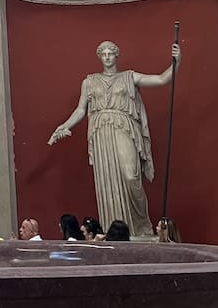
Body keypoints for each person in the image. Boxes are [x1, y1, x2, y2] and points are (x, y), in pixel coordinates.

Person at [49, 40, 181, 239]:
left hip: (123, 128)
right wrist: (65, 125)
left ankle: (141, 226)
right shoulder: (89, 81)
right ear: (99, 57)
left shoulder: (129, 76)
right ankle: (116, 231)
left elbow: (161, 80)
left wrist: (176, 62)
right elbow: (80, 109)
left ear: (117, 56)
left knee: (131, 176)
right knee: (108, 183)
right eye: (104, 54)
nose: (108, 57)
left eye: (111, 53)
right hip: (101, 132)